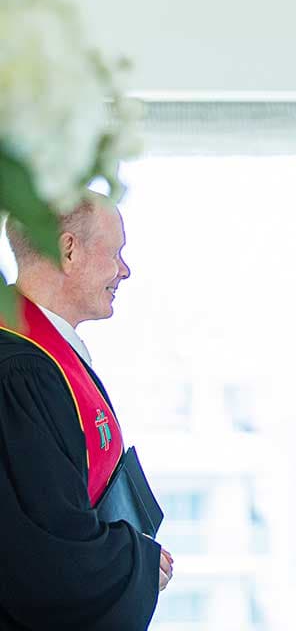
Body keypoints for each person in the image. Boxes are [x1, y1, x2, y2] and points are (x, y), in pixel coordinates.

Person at [0, 192, 171, 629]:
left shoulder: (43, 355)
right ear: (69, 250)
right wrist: (136, 563)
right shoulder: (20, 372)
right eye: (116, 253)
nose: (125, 270)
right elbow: (42, 553)